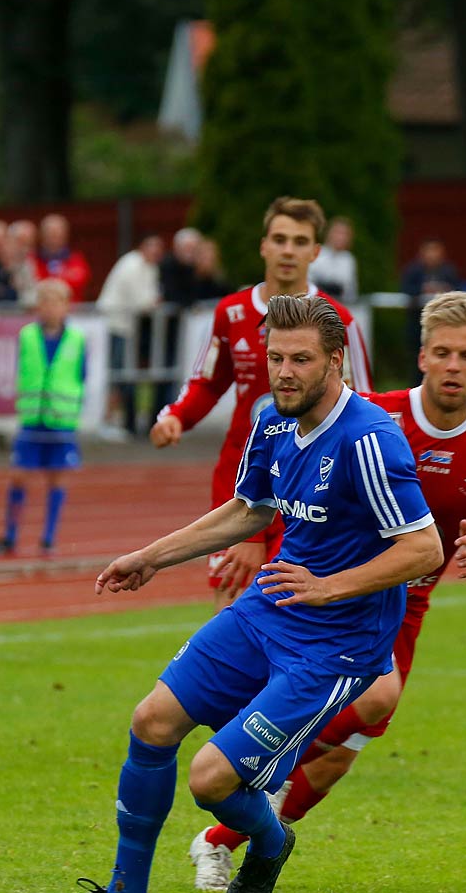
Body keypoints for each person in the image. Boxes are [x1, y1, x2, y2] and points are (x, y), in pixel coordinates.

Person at [46, 295, 441, 893]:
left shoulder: (370, 439)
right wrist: (152, 556)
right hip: (268, 612)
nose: (285, 371)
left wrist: (329, 586)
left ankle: (271, 838)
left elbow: (424, 548)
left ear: (335, 360)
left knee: (210, 780)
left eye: (301, 359)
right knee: (151, 722)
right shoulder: (272, 421)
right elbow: (249, 510)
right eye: (276, 357)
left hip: (335, 644)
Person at [189, 292, 466, 889]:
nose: (454, 365)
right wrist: (258, 540)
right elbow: (288, 473)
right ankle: (244, 784)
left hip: (406, 596)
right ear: (423, 357)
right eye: (443, 352)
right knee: (376, 700)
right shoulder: (373, 415)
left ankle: (233, 834)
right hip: (328, 589)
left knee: (345, 749)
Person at [150, 197, 372, 608]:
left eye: (300, 241)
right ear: (263, 246)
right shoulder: (231, 313)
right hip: (241, 480)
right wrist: (176, 417)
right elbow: (207, 381)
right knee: (230, 610)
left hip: (310, 487)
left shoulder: (340, 321)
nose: (289, 250)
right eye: (280, 239)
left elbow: (366, 408)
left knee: (290, 610)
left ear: (316, 252)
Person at [0, 279, 86, 557]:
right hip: (32, 419)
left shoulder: (77, 339)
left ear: (66, 306)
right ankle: (10, 536)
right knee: (19, 477)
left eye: (56, 302)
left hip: (61, 422)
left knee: (57, 480)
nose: (50, 308)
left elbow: (81, 375)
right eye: (45, 302)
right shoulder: (28, 336)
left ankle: (48, 538)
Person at [96, 232, 165, 435]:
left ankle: (115, 419)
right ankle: (108, 420)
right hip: (116, 326)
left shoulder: (146, 266)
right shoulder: (132, 266)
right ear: (143, 248)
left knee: (122, 374)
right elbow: (144, 302)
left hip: (126, 327)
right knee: (117, 374)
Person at [33, 213, 90, 302]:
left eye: (57, 233)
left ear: (65, 235)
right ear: (41, 235)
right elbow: (30, 285)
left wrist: (47, 283)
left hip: (73, 311)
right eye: (50, 233)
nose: (54, 237)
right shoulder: (32, 260)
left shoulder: (76, 260)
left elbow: (79, 281)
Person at [310, 216, 358, 302]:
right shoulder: (318, 253)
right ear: (329, 233)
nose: (340, 237)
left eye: (344, 234)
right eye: (338, 233)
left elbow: (350, 290)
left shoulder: (348, 259)